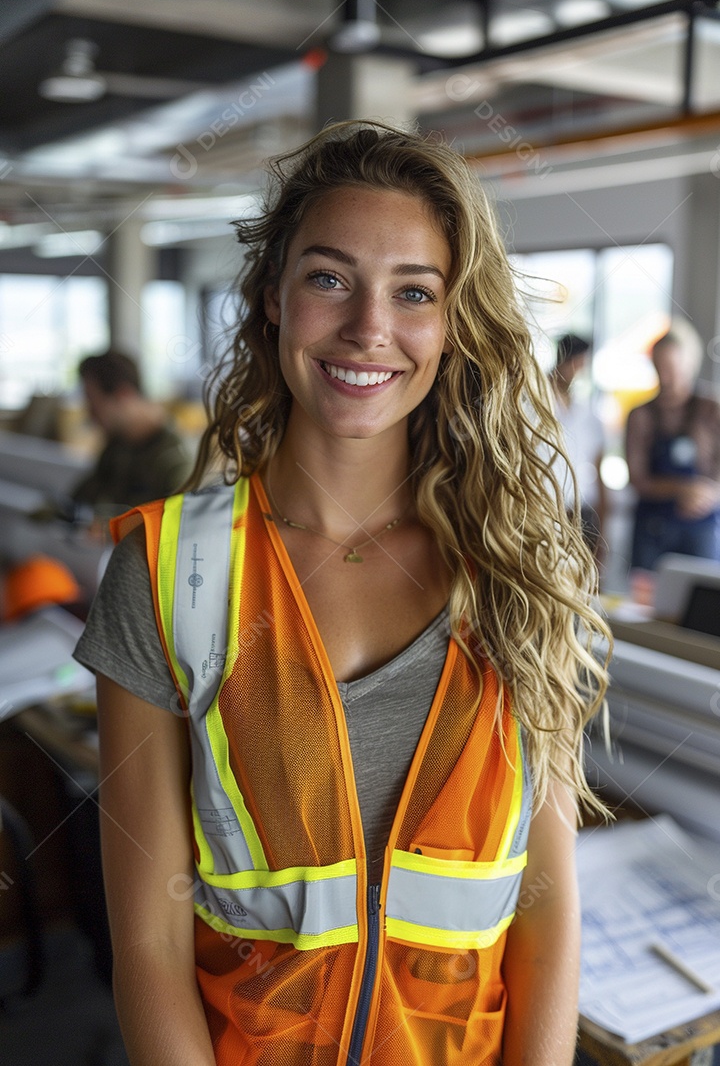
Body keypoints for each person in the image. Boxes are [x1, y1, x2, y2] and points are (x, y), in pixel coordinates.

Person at [73, 121, 609, 1066]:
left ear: (451, 324)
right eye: (329, 278)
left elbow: (547, 909)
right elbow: (148, 944)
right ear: (273, 298)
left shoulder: (525, 569)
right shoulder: (166, 573)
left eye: (413, 292)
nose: (369, 328)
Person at [626, 320, 720, 571]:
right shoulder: (641, 415)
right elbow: (637, 479)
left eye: (671, 368)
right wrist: (682, 489)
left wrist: (708, 493)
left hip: (702, 529)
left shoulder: (710, 410)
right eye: (659, 368)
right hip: (652, 529)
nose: (665, 377)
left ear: (688, 364)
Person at [70, 349, 191, 517]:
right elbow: (82, 496)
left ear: (123, 394)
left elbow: (177, 529)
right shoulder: (118, 446)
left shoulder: (176, 460)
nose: (90, 415)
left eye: (94, 403)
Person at [549, 333, 607, 558]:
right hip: (545, 509)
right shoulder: (532, 401)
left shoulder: (588, 413)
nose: (578, 371)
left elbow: (598, 469)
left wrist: (603, 528)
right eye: (575, 364)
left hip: (581, 512)